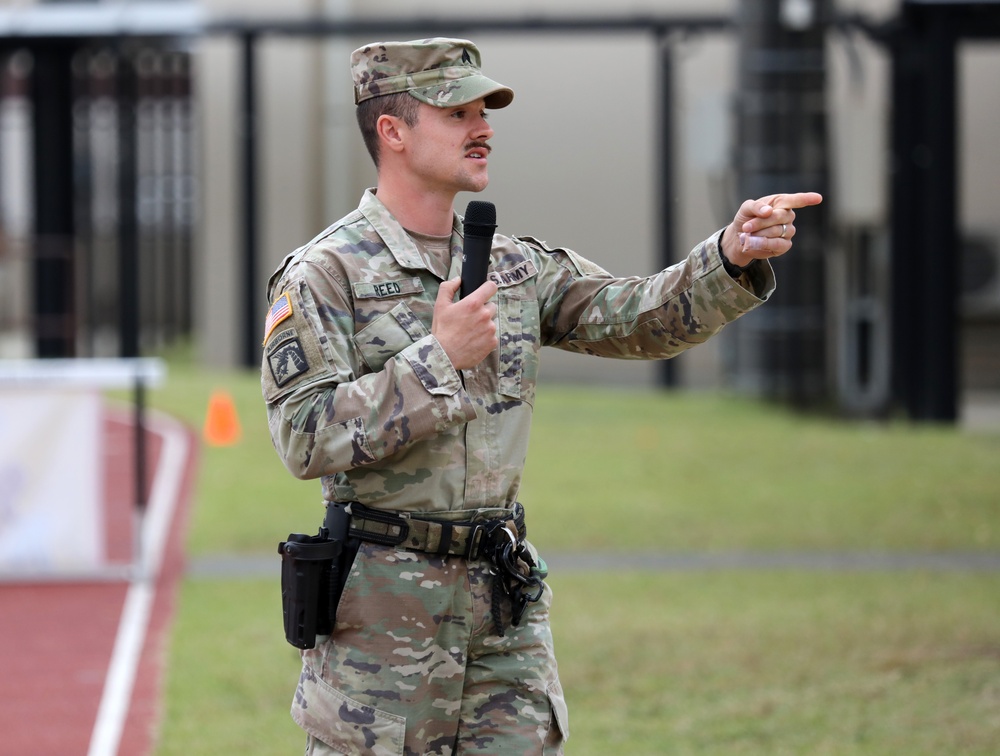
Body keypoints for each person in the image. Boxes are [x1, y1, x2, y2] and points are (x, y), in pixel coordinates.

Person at [261, 37, 822, 755]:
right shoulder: (323, 275)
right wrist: (440, 361)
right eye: (456, 111)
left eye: (484, 110)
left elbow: (639, 317)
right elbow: (304, 438)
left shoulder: (513, 266)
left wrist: (728, 255)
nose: (482, 126)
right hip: (384, 627)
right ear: (392, 131)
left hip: (503, 609)